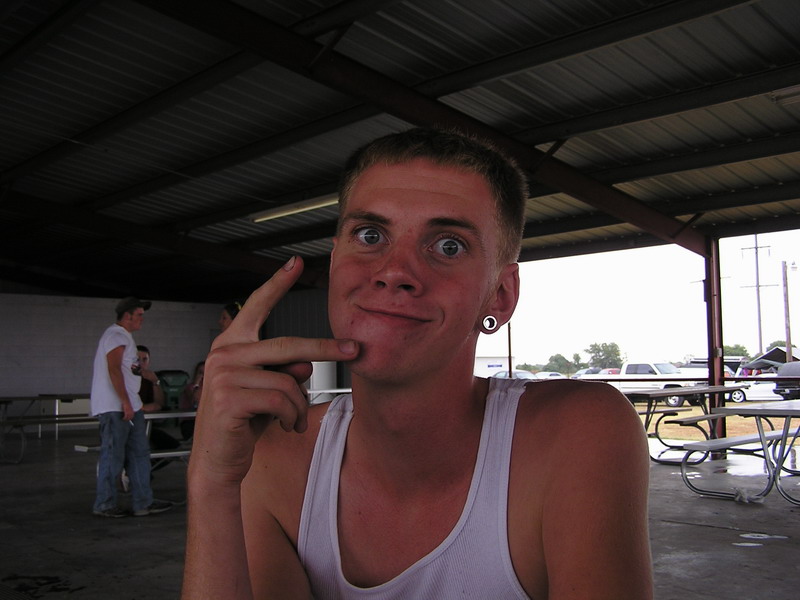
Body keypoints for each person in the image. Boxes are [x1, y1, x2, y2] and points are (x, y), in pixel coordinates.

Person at [182, 129, 653, 598]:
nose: (394, 271)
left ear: (500, 295)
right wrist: (211, 481)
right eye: (370, 235)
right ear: (336, 262)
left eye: (448, 245)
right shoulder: (273, 455)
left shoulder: (576, 432)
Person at [89, 297, 173, 518]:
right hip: (115, 407)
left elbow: (128, 370)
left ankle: (143, 502)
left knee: (139, 454)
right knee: (113, 456)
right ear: (127, 316)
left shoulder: (125, 338)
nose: (142, 319)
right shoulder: (115, 336)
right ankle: (104, 503)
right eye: (139, 315)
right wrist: (125, 401)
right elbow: (114, 370)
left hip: (130, 406)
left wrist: (144, 380)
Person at [137, 344, 180, 453]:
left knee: (173, 446)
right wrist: (142, 407)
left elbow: (159, 403)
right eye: (137, 359)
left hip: (146, 424)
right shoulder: (124, 378)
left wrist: (155, 382)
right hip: (127, 425)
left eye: (144, 359)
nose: (140, 363)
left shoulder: (149, 379)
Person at [178, 360, 205, 440]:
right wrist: (197, 385)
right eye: (201, 373)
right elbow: (195, 402)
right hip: (190, 421)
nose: (203, 376)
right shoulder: (189, 387)